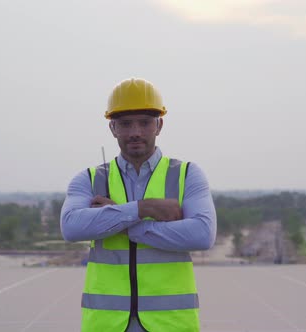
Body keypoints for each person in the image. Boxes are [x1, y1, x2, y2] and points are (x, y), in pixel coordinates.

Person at [60, 78, 217, 332]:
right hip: (106, 324)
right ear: (112, 128)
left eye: (144, 122)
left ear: (159, 125)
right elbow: (71, 227)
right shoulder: (89, 178)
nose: (135, 132)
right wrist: (143, 209)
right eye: (125, 124)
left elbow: (202, 234)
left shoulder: (186, 174)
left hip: (171, 324)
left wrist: (123, 225)